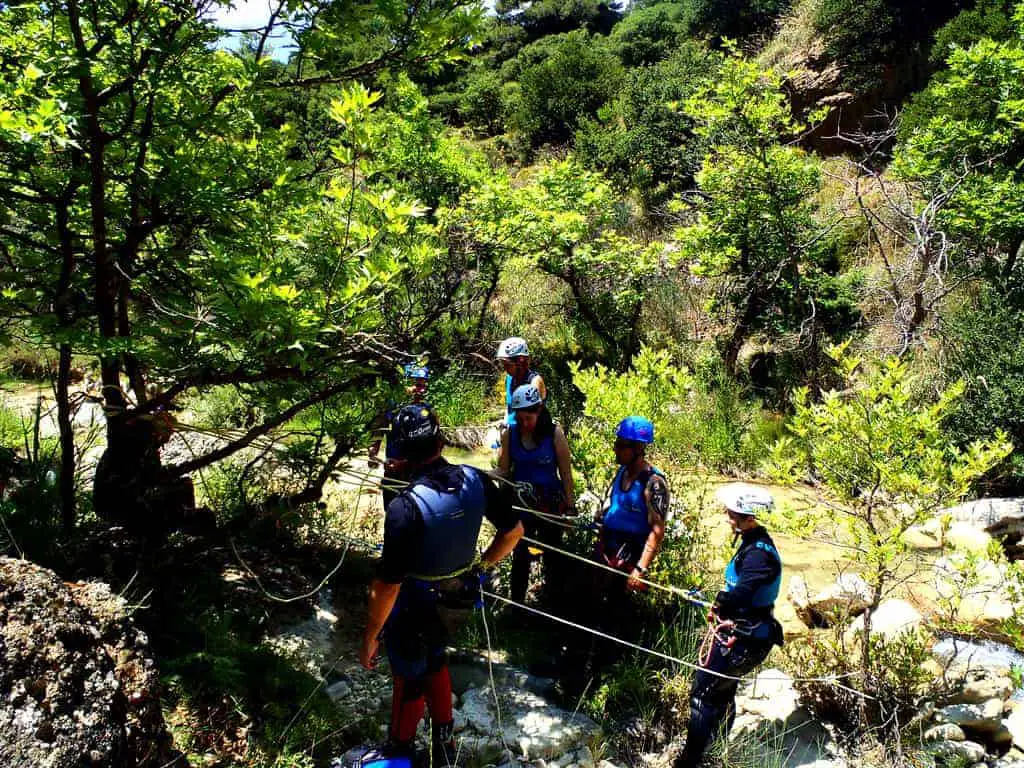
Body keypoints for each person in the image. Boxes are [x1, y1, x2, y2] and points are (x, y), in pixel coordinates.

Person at [358, 404, 524, 768]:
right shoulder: (475, 479)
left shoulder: (406, 507)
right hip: (458, 597)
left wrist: (371, 633)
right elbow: (514, 532)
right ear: (439, 439)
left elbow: (388, 583)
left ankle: (400, 751)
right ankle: (444, 743)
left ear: (401, 450)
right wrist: (482, 564)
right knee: (435, 659)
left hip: (415, 602)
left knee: (409, 672)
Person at [675, 483, 784, 768]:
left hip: (743, 637)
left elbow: (745, 590)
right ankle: (717, 750)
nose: (728, 516)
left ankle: (691, 761)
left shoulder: (759, 553)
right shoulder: (754, 542)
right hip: (747, 634)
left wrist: (721, 601)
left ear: (750, 517)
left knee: (703, 695)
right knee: (723, 692)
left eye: (734, 513)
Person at [496, 384, 574, 606]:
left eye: (528, 418)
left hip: (550, 503)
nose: (524, 424)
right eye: (519, 418)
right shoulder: (511, 434)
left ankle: (552, 604)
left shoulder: (554, 433)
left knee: (552, 554)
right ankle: (517, 606)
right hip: (522, 503)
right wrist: (480, 475)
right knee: (519, 553)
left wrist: (570, 508)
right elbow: (503, 469)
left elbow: (566, 474)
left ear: (539, 411)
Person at [368, 364, 431, 509]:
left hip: (418, 474)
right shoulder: (392, 407)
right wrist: (373, 452)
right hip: (393, 472)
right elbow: (379, 428)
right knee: (392, 512)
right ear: (406, 384)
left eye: (423, 385)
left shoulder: (426, 410)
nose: (421, 390)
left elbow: (432, 445)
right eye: (417, 385)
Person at [495, 337, 546, 427]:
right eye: (503, 364)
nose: (505, 367)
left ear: (520, 362)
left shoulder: (534, 381)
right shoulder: (509, 379)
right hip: (512, 432)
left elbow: (534, 413)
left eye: (507, 364)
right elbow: (510, 408)